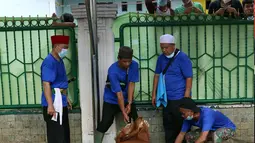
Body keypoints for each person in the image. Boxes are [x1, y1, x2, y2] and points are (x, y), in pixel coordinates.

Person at [152, 34, 193, 143]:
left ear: (173, 46)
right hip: (167, 99)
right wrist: (154, 94)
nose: (164, 50)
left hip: (180, 98)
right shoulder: (161, 58)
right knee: (169, 126)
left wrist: (186, 98)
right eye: (162, 47)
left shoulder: (182, 57)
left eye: (166, 47)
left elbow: (189, 78)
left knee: (182, 126)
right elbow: (156, 75)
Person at [95, 46, 139, 143]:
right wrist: (123, 111)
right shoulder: (112, 71)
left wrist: (130, 103)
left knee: (136, 121)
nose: (127, 64)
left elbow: (132, 84)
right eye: (124, 61)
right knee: (105, 123)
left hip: (128, 98)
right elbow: (119, 94)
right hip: (112, 99)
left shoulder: (134, 65)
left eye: (129, 61)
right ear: (118, 59)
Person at [41, 35, 72, 143]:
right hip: (53, 103)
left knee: (64, 134)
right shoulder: (49, 62)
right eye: (64, 47)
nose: (65, 50)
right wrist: (50, 105)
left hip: (60, 100)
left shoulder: (59, 60)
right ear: (56, 46)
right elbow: (46, 84)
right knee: (56, 136)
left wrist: (65, 97)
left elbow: (61, 82)